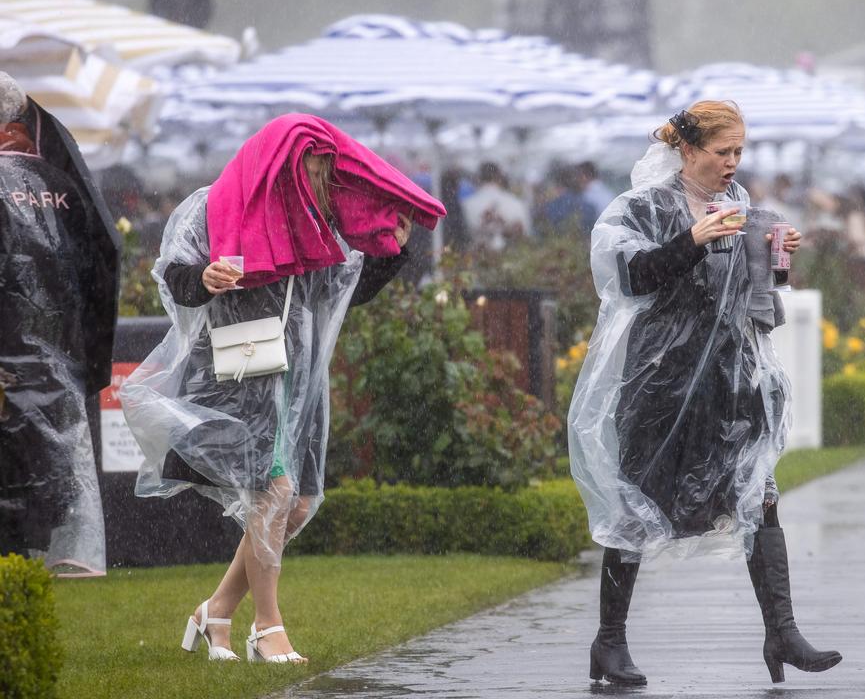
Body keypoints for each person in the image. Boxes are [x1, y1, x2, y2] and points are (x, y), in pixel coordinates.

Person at [120, 114, 445, 663]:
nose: (316, 187)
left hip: (296, 374)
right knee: (273, 493)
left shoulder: (315, 219)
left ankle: (215, 611)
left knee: (297, 503)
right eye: (309, 174)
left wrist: (392, 252)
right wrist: (202, 278)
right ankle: (267, 628)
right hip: (235, 368)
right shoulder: (212, 206)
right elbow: (172, 273)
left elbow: (344, 291)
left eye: (324, 176)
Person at [568, 100, 840, 686]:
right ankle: (608, 642)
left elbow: (751, 294)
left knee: (757, 489)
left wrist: (777, 257)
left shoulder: (738, 206)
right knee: (634, 507)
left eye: (740, 152)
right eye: (723, 152)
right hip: (660, 380)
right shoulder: (641, 208)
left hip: (728, 376)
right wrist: (691, 238)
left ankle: (782, 631)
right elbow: (626, 278)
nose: (733, 164)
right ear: (688, 151)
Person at [0, 74, 107, 575]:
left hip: (8, 368)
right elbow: (102, 264)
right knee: (44, 495)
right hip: (60, 367)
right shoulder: (66, 187)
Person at [461, 161, 531, 250]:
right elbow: (526, 234)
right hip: (514, 259)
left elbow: (462, 237)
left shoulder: (467, 205)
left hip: (479, 259)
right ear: (500, 177)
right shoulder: (516, 202)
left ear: (478, 179)